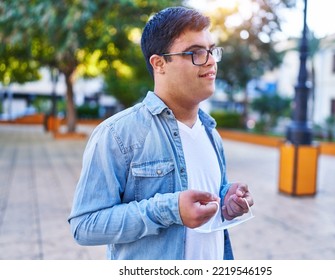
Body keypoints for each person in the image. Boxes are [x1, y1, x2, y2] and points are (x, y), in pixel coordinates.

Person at [68, 6, 254, 260]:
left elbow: (204, 195)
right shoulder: (118, 133)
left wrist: (225, 199)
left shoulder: (211, 132)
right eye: (196, 53)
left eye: (211, 51)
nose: (211, 61)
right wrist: (170, 209)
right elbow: (84, 225)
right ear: (159, 64)